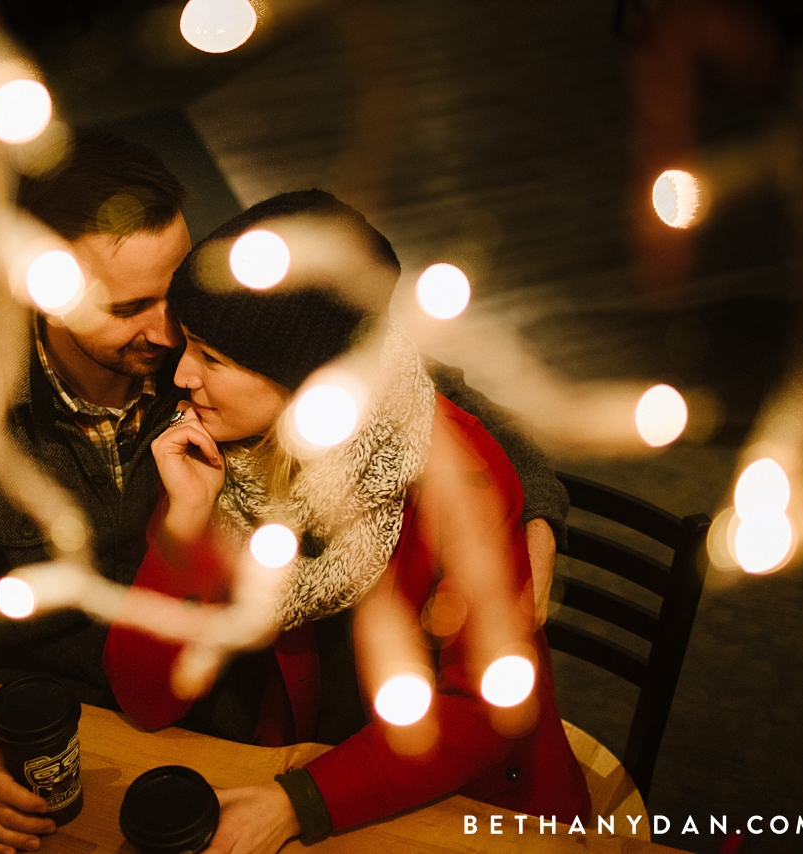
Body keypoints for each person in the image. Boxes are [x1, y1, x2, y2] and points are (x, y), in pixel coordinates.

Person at [0, 133, 568, 854]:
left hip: (265, 726)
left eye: (179, 290)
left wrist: (524, 491)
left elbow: (392, 371)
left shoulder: (227, 348)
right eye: (129, 309)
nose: (170, 338)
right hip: (79, 714)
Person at [104, 190, 591, 854]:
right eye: (190, 345)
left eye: (213, 359)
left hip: (463, 806)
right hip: (307, 768)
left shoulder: (457, 478)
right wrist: (183, 527)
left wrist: (297, 804)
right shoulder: (213, 459)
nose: (181, 374)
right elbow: (145, 700)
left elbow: (483, 712)